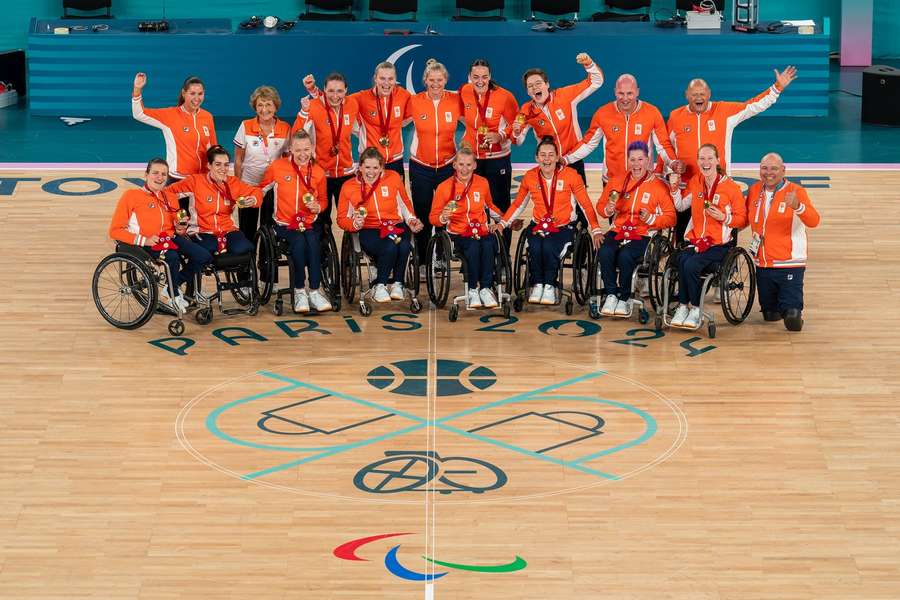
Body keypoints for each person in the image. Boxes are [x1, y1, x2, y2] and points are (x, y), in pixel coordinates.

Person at [666, 66, 798, 240]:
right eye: (694, 94)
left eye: (702, 94)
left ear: (709, 94)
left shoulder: (724, 112)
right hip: (688, 190)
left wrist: (776, 88)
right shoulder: (676, 116)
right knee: (684, 239)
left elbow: (753, 106)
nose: (699, 98)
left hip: (719, 188)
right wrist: (670, 168)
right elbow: (666, 146)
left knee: (724, 235)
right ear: (686, 95)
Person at [499, 136, 602, 306]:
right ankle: (538, 284)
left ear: (557, 157)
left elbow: (585, 205)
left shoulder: (571, 175)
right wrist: (502, 224)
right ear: (536, 157)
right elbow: (518, 204)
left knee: (548, 246)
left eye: (550, 155)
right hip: (538, 225)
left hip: (563, 226)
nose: (547, 159)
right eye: (543, 155)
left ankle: (550, 285)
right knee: (534, 246)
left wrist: (596, 229)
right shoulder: (530, 177)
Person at [108, 158, 212, 310]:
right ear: (146, 174)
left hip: (170, 238)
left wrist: (179, 227)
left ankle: (171, 287)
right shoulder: (131, 196)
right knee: (173, 258)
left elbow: (175, 226)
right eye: (155, 173)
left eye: (164, 174)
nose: (160, 177)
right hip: (148, 242)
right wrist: (145, 240)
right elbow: (114, 231)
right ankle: (174, 294)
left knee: (204, 256)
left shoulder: (169, 196)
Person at [669, 144, 748, 328]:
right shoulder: (696, 181)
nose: (706, 163)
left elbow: (742, 219)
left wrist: (724, 217)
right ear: (697, 161)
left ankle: (695, 309)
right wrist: (674, 190)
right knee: (680, 259)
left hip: (719, 246)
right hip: (697, 241)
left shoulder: (731, 187)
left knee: (691, 264)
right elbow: (681, 206)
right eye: (702, 159)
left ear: (718, 160)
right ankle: (682, 306)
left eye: (710, 158)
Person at [596, 141, 677, 317]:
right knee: (605, 250)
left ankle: (624, 298)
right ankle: (611, 294)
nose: (636, 164)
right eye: (632, 160)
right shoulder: (617, 181)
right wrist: (607, 210)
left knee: (626, 256)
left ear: (648, 161)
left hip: (644, 233)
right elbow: (601, 206)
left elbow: (671, 217)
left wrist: (651, 218)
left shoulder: (658, 186)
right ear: (628, 161)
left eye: (640, 159)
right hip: (619, 229)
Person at [337, 147, 425, 303]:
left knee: (405, 246)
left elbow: (404, 203)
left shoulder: (393, 178)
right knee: (390, 247)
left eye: (375, 168)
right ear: (360, 167)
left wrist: (411, 220)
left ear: (382, 168)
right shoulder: (349, 187)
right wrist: (355, 224)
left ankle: (398, 283)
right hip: (369, 229)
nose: (371, 172)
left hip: (395, 224)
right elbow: (342, 218)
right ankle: (380, 285)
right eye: (367, 167)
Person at [745, 152, 820, 331]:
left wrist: (798, 206)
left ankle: (794, 311)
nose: (768, 172)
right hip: (762, 264)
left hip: (789, 263)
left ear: (783, 170)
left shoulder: (796, 191)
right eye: (764, 168)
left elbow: (814, 221)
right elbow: (745, 219)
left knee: (792, 320)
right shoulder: (755, 189)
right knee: (770, 316)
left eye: (774, 168)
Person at [259, 131, 333, 313]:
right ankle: (300, 290)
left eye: (306, 149)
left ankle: (315, 291)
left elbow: (324, 200)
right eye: (298, 150)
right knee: (299, 243)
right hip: (284, 224)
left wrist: (318, 207)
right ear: (290, 149)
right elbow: (261, 190)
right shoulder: (277, 167)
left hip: (309, 222)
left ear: (312, 149)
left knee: (315, 243)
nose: (302, 154)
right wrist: (249, 197)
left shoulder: (318, 171)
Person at [565, 73, 681, 182]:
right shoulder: (602, 113)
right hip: (612, 181)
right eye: (621, 93)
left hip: (642, 181)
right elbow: (588, 144)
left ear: (637, 92)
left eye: (629, 93)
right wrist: (566, 159)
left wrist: (673, 162)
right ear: (615, 92)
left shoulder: (652, 113)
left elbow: (663, 146)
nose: (625, 98)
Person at [429, 145, 505, 309]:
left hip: (482, 230)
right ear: (454, 165)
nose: (465, 169)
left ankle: (485, 288)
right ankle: (472, 289)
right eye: (461, 164)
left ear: (475, 165)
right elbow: (433, 218)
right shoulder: (444, 187)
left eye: (468, 165)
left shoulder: (482, 183)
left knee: (489, 243)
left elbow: (490, 206)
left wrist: (505, 221)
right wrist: (443, 217)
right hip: (459, 234)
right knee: (473, 246)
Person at [512, 53, 603, 184]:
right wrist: (516, 133)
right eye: (530, 86)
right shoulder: (526, 110)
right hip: (549, 165)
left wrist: (589, 64)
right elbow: (518, 141)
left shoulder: (565, 96)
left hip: (573, 160)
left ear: (547, 84)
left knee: (579, 203)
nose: (535, 87)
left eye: (538, 83)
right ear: (527, 92)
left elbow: (596, 81)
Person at [406, 59, 463, 263]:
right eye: (432, 80)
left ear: (446, 80)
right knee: (422, 214)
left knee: (443, 213)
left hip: (448, 166)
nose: (436, 84)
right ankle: (422, 260)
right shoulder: (414, 101)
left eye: (440, 80)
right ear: (425, 81)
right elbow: (394, 122)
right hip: (421, 167)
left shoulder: (456, 100)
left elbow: (473, 121)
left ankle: (440, 257)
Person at [458, 58, 519, 249]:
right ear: (469, 77)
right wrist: (467, 140)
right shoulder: (464, 91)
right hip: (472, 160)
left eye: (484, 77)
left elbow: (516, 125)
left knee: (499, 205)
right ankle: (476, 251)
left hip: (497, 160)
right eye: (475, 77)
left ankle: (502, 254)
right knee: (474, 205)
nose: (480, 81)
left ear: (490, 76)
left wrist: (500, 135)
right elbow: (461, 115)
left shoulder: (505, 96)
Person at [165, 145, 261, 261]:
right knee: (208, 249)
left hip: (228, 230)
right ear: (209, 165)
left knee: (244, 248)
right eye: (218, 164)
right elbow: (168, 193)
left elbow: (256, 192)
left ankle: (242, 277)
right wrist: (177, 214)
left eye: (226, 164)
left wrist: (253, 200)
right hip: (201, 231)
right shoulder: (195, 182)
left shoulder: (233, 183)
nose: (223, 168)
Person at [294, 72, 361, 228]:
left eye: (339, 91)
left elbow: (363, 130)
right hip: (321, 174)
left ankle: (355, 249)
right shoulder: (313, 106)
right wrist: (303, 112)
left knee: (351, 218)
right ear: (324, 90)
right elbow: (296, 135)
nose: (335, 96)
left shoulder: (352, 104)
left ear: (346, 91)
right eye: (330, 91)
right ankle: (323, 250)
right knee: (321, 221)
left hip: (346, 174)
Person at [326, 62, 412, 181]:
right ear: (375, 78)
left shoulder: (404, 95)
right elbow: (335, 99)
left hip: (395, 161)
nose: (386, 83)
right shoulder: (361, 98)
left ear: (395, 79)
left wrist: (395, 126)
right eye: (382, 78)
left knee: (394, 199)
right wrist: (313, 91)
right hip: (369, 162)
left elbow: (407, 118)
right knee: (368, 198)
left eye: (390, 79)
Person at [131, 73, 217, 181]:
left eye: (200, 94)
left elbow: (214, 148)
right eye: (192, 93)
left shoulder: (207, 117)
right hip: (179, 179)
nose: (197, 98)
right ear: (183, 93)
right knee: (183, 199)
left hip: (202, 179)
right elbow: (139, 114)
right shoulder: (170, 116)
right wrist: (137, 89)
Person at [233, 85, 291, 243]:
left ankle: (266, 264)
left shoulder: (285, 128)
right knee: (247, 229)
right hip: (248, 185)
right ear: (255, 107)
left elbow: (287, 160)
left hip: (272, 187)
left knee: (269, 228)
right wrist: (238, 186)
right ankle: (247, 264)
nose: (264, 109)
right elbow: (238, 159)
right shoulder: (245, 126)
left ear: (275, 106)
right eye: (260, 105)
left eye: (268, 104)